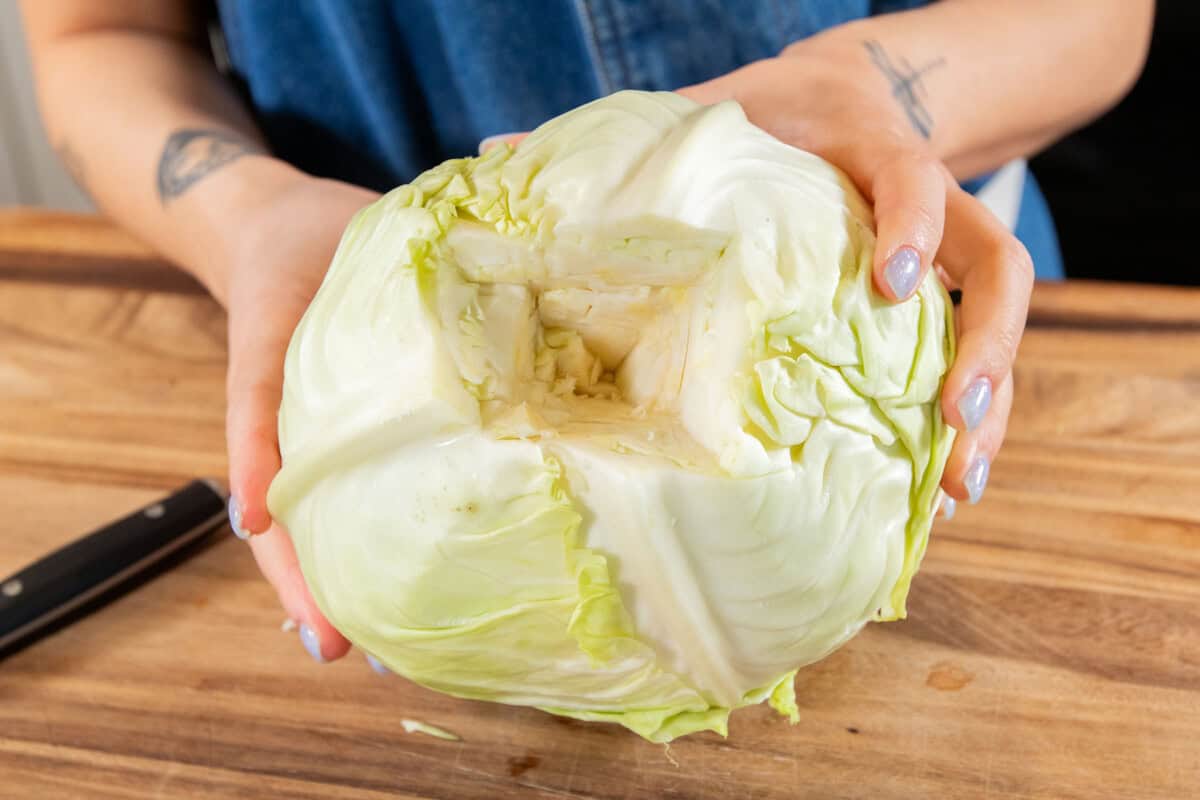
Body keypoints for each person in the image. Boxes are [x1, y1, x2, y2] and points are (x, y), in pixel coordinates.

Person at [21, 1, 1152, 665]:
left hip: (923, 297)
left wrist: (858, 82)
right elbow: (100, 31)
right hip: (350, 293)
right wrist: (249, 213)